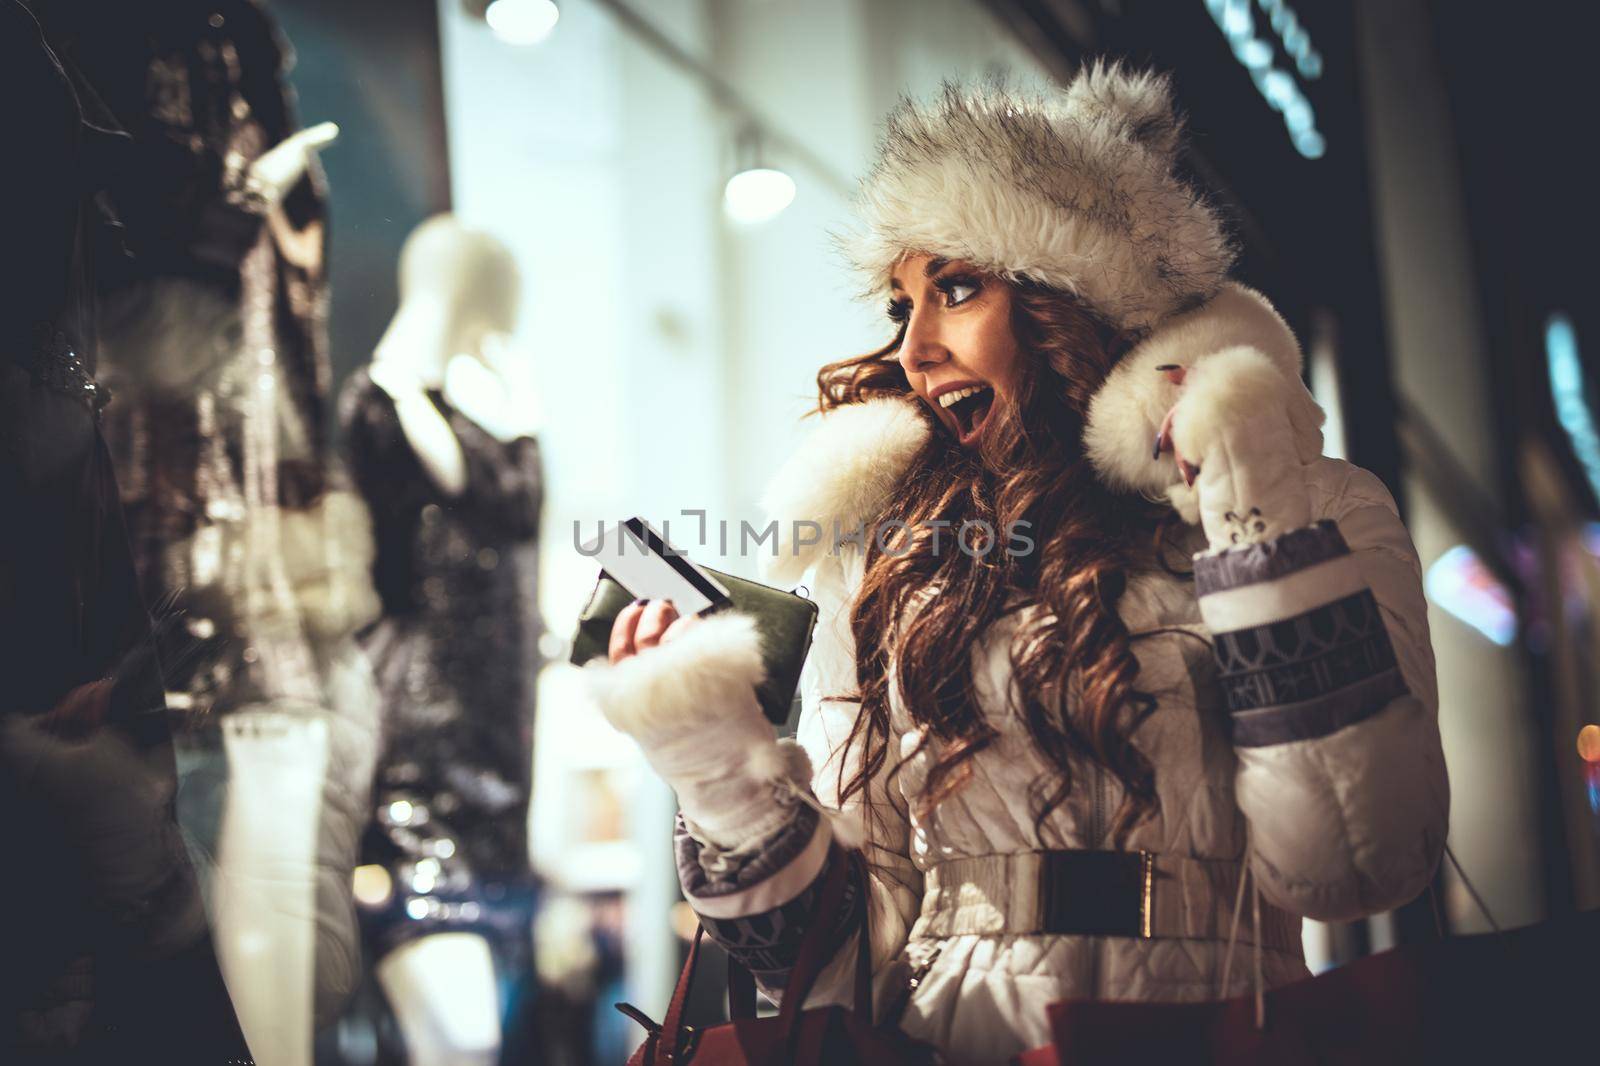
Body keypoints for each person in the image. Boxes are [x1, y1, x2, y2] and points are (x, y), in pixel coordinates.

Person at [582, 64, 1449, 1063]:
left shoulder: (1320, 503)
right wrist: (712, 759)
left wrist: (1252, 509)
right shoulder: (882, 557)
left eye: (956, 290)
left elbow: (1353, 866)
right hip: (954, 1036)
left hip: (1220, 1023)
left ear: (1072, 300)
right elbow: (825, 969)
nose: (914, 349)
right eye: (901, 304)